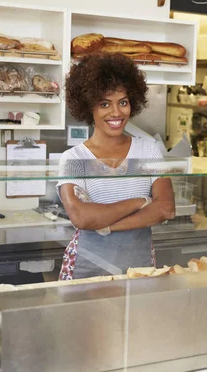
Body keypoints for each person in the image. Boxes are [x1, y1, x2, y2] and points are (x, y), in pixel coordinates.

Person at [57, 52, 175, 280]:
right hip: (87, 267)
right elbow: (82, 218)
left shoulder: (148, 150)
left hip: (139, 268)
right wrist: (140, 202)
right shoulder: (73, 158)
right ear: (88, 106)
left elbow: (165, 209)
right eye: (104, 104)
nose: (116, 112)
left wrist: (107, 225)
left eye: (123, 102)